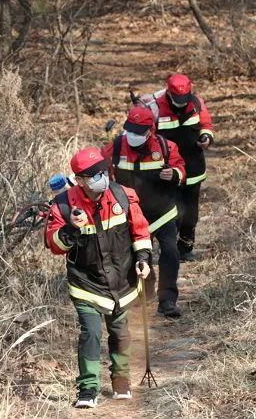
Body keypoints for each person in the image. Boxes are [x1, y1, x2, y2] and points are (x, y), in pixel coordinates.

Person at [45, 147, 152, 409]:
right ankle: (88, 388)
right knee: (90, 333)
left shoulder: (123, 196)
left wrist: (144, 259)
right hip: (86, 284)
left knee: (120, 331)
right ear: (80, 180)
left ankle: (121, 381)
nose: (101, 176)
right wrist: (71, 228)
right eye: (94, 174)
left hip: (122, 282)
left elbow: (140, 232)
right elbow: (55, 245)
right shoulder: (62, 205)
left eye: (103, 170)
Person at [102, 106, 186, 318]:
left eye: (139, 132)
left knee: (170, 253)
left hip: (162, 213)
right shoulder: (116, 147)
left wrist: (174, 174)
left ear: (150, 131)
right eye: (130, 130)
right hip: (130, 216)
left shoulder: (166, 147)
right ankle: (145, 291)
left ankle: (167, 300)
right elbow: (99, 169)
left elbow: (182, 170)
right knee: (135, 257)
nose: (133, 136)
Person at [154, 73, 214, 262]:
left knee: (190, 211)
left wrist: (206, 137)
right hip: (168, 169)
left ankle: (186, 248)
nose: (181, 102)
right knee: (170, 211)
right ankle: (169, 249)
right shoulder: (156, 108)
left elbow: (206, 124)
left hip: (193, 167)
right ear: (168, 92)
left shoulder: (196, 103)